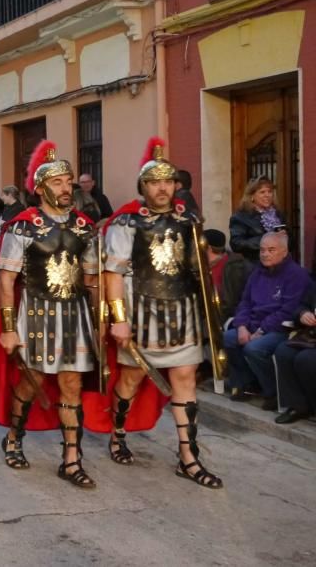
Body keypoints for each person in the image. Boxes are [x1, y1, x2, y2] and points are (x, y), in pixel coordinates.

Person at [99, 137, 222, 489]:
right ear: (144, 186)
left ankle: (189, 456)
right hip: (142, 315)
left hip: (182, 312)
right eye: (154, 182)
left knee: (184, 381)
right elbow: (114, 272)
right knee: (131, 380)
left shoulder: (189, 220)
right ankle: (118, 433)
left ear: (175, 185)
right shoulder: (128, 223)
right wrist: (119, 318)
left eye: (167, 181)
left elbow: (197, 269)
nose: (162, 187)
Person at [0, 140, 100, 489]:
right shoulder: (22, 226)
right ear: (40, 189)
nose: (66, 189)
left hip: (75, 313)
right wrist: (7, 328)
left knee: (71, 383)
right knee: (30, 383)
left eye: (68, 182)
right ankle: (15, 438)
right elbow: (5, 279)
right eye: (57, 183)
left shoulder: (84, 226)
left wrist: (102, 320)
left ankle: (71, 458)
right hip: (34, 313)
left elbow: (92, 278)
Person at [222, 232, 309, 409]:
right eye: (262, 250)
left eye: (271, 250)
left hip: (280, 328)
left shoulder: (296, 275)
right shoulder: (257, 273)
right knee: (229, 338)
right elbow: (245, 302)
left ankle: (273, 391)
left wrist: (261, 330)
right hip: (253, 324)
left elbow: (288, 311)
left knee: (254, 348)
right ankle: (247, 383)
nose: (265, 254)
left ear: (284, 252)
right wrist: (241, 326)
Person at [273, 286, 316, 424]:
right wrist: (302, 314)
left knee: (305, 360)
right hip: (311, 337)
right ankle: (298, 406)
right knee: (284, 351)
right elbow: (301, 306)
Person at [229, 176, 287, 264]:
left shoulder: (278, 214)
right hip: (255, 266)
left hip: (280, 265)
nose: (267, 195)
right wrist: (266, 239)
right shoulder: (241, 217)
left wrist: (284, 238)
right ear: (252, 196)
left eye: (269, 192)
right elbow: (236, 244)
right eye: (262, 192)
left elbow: (292, 242)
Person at [203, 229, 250, 323]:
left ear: (208, 248)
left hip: (221, 320)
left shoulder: (234, 268)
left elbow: (229, 303)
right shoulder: (205, 266)